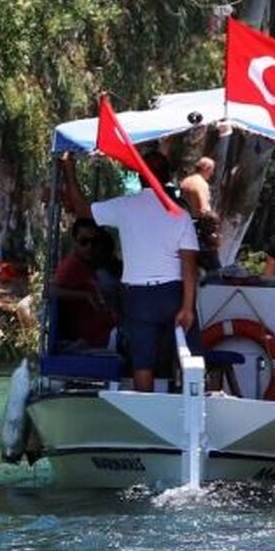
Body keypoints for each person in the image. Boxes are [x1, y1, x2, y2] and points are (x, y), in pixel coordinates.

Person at [68, 150, 197, 392]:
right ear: (168, 177)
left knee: (142, 363)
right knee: (189, 356)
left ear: (140, 177)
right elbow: (189, 265)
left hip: (137, 296)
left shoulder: (125, 207)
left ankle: (144, 415)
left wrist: (68, 168)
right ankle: (193, 408)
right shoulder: (181, 214)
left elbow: (81, 209)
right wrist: (188, 307)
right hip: (173, 292)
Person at [50, 217, 117, 349]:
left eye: (94, 242)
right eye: (84, 242)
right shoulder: (71, 266)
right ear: (75, 241)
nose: (90, 247)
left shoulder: (88, 266)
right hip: (96, 339)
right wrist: (85, 295)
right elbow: (50, 291)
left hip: (108, 331)